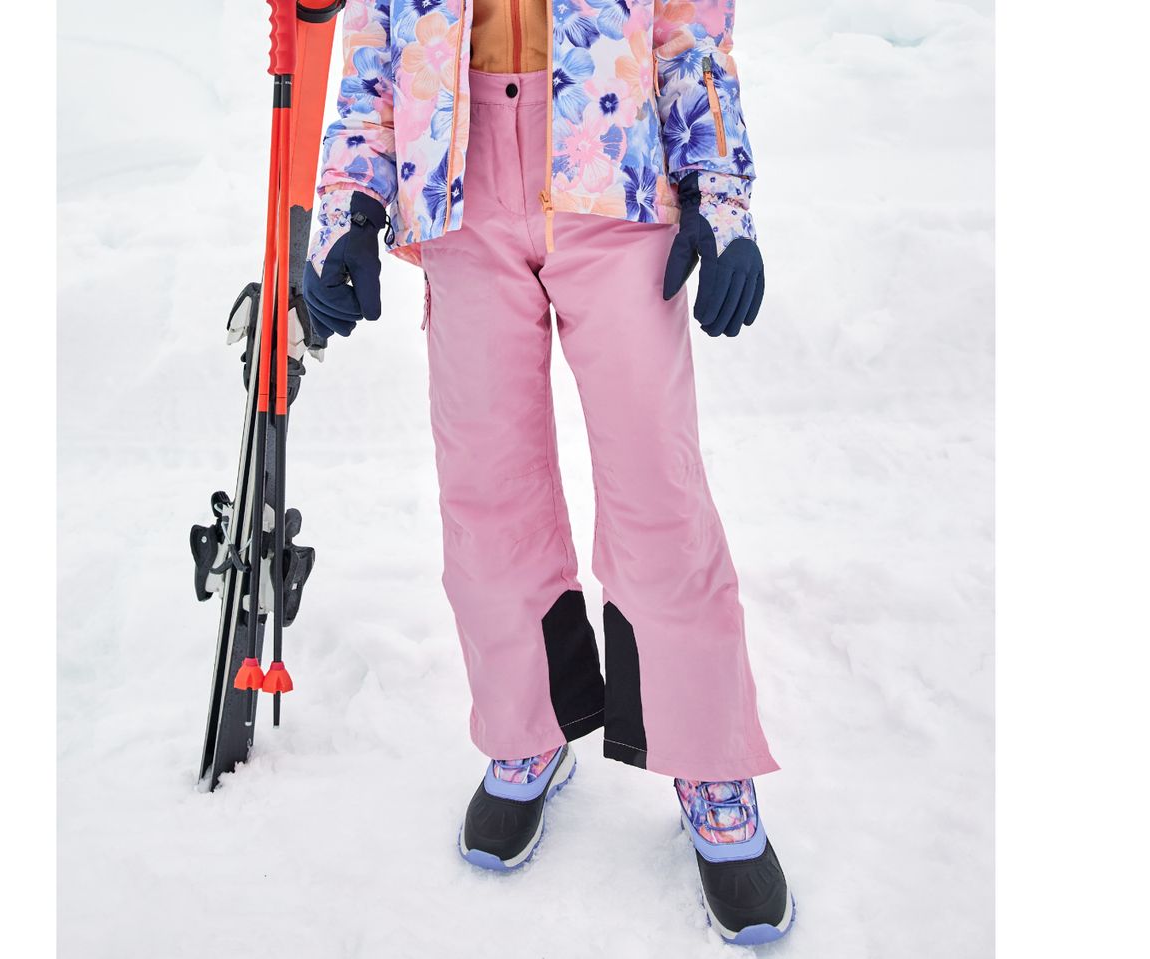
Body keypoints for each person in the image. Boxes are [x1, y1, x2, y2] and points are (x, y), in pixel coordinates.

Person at [303, 0, 793, 945]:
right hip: (458, 183)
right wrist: (350, 203)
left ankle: (709, 759)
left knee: (656, 482)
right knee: (488, 487)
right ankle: (526, 729)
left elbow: (692, 30)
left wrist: (719, 197)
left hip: (616, 174)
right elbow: (372, 40)